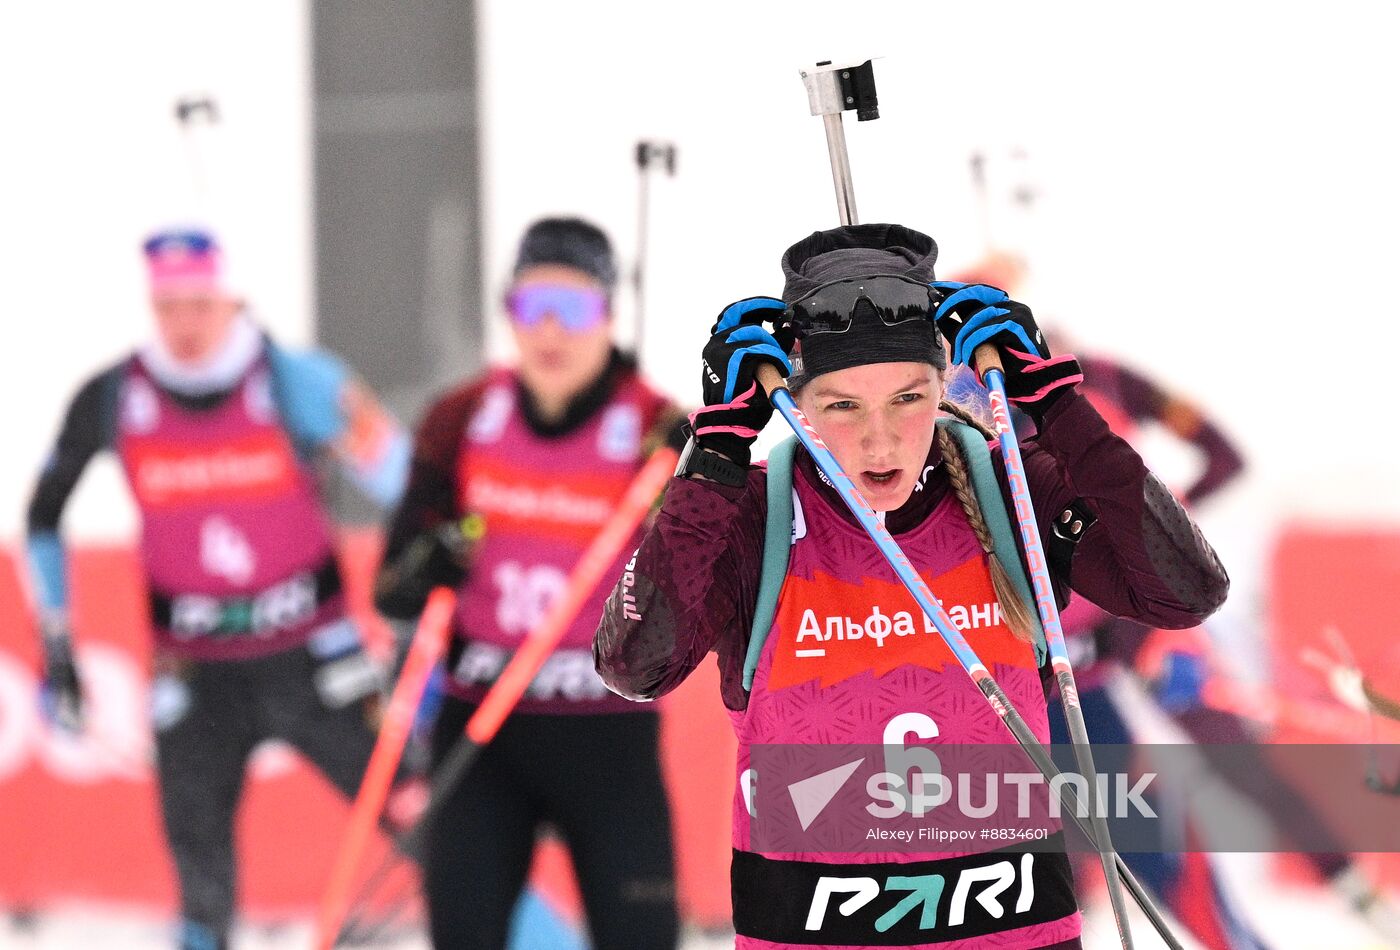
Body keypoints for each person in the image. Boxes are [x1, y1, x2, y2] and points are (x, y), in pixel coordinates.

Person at [595, 222, 1230, 949]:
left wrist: (1057, 406)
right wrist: (715, 450)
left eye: (907, 398)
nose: (880, 439)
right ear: (797, 404)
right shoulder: (755, 517)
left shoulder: (1009, 489)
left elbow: (1186, 593)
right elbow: (633, 667)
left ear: (942, 386)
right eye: (841, 405)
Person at [26, 227, 411, 950]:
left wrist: (420, 619)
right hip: (194, 671)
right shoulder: (113, 397)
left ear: (231, 298)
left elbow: (417, 497)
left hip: (317, 659)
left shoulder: (297, 381)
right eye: (168, 306)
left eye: (201, 304)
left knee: (433, 825)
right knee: (200, 880)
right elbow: (42, 519)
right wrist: (58, 646)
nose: (185, 325)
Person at [375, 217, 685, 950]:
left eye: (573, 308)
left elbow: (706, 589)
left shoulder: (656, 431)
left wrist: (702, 469)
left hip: (608, 735)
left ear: (608, 313)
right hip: (483, 730)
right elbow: (392, 590)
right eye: (528, 307)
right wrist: (430, 564)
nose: (550, 331)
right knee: (464, 932)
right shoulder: (460, 419)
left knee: (644, 934)